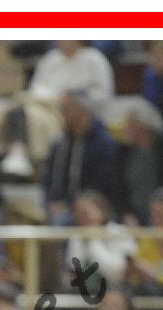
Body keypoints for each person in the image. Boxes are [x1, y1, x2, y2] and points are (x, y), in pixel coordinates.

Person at [0, 40, 115, 177]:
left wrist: (74, 98)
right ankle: (17, 152)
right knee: (22, 111)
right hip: (45, 105)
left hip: (72, 112)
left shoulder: (94, 59)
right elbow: (36, 88)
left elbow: (102, 94)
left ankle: (21, 154)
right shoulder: (50, 59)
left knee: (33, 117)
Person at [41, 91, 119, 224]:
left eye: (66, 109)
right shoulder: (60, 144)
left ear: (81, 110)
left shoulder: (103, 144)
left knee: (61, 222)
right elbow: (48, 180)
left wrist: (70, 205)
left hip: (90, 208)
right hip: (57, 208)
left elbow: (102, 185)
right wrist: (50, 203)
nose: (62, 114)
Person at [117, 99, 163, 225]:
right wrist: (125, 214)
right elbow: (117, 187)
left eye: (129, 125)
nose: (124, 128)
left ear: (144, 127)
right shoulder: (123, 149)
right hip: (133, 212)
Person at [66, 189, 137, 286]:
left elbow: (115, 272)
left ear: (102, 210)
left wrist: (93, 240)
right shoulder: (77, 236)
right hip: (84, 289)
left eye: (86, 212)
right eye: (79, 213)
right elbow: (74, 272)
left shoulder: (120, 232)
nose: (82, 217)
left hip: (117, 286)